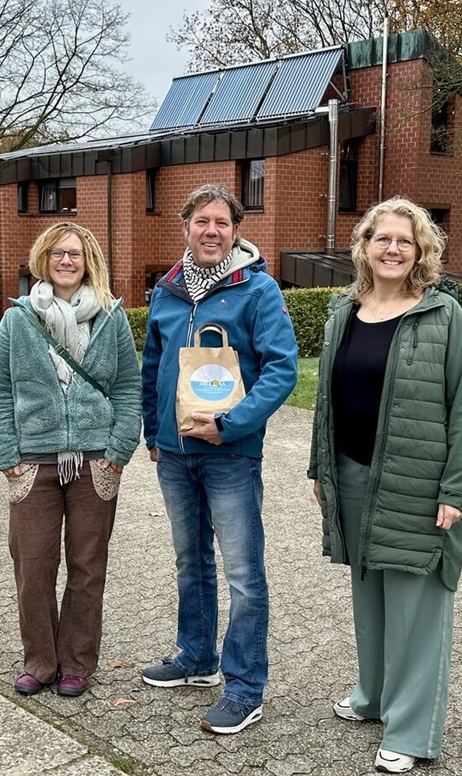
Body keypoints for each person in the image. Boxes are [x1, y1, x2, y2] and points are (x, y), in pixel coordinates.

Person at [307, 197, 462, 773]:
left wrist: (455, 491)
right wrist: (321, 469)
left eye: (404, 241)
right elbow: (325, 400)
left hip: (418, 483)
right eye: (382, 238)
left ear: (421, 252)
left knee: (416, 607)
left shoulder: (443, 316)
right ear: (363, 246)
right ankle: (374, 697)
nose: (392, 249)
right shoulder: (344, 313)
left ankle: (411, 732)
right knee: (371, 600)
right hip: (354, 475)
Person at [140, 183, 298, 734]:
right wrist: (151, 430)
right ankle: (196, 657)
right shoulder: (167, 291)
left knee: (243, 573)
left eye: (222, 223)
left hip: (230, 453)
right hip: (175, 453)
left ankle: (246, 686)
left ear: (236, 231)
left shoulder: (258, 291)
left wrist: (230, 425)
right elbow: (151, 364)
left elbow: (282, 369)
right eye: (202, 221)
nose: (212, 231)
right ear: (185, 227)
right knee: (191, 563)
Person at [0, 222, 141, 698]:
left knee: (88, 567)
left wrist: (119, 450)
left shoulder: (111, 318)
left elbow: (129, 386)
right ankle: (41, 661)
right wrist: (4, 450)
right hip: (33, 461)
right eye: (57, 253)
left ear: (88, 259)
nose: (66, 261)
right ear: (43, 260)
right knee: (33, 567)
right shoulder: (18, 320)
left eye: (74, 253)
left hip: (96, 463)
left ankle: (76, 663)